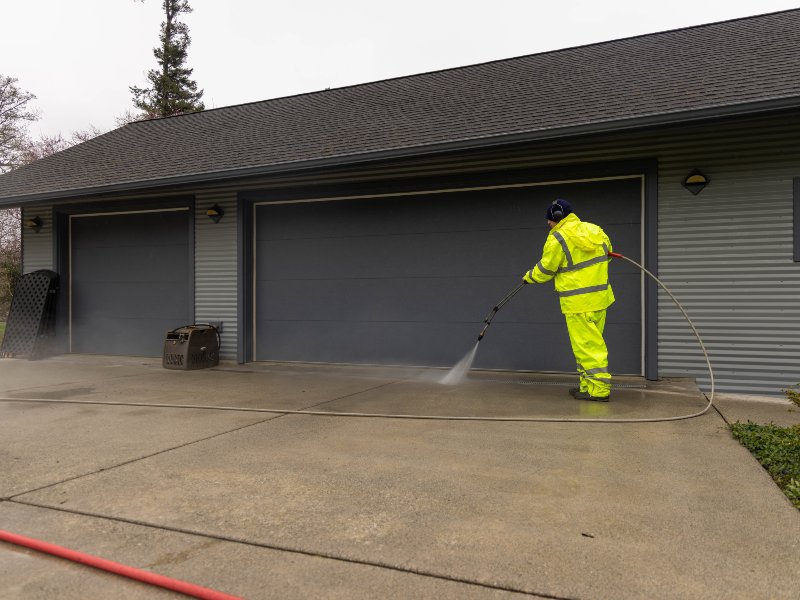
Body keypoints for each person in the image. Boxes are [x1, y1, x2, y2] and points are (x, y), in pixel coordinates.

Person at [522, 199, 614, 401]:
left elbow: (547, 269)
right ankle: (587, 387)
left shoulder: (557, 238)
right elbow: (607, 256)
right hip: (600, 299)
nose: (548, 224)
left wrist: (529, 276)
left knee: (588, 347)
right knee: (587, 346)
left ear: (556, 218)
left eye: (549, 220)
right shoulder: (594, 230)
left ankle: (599, 391)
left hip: (578, 304)